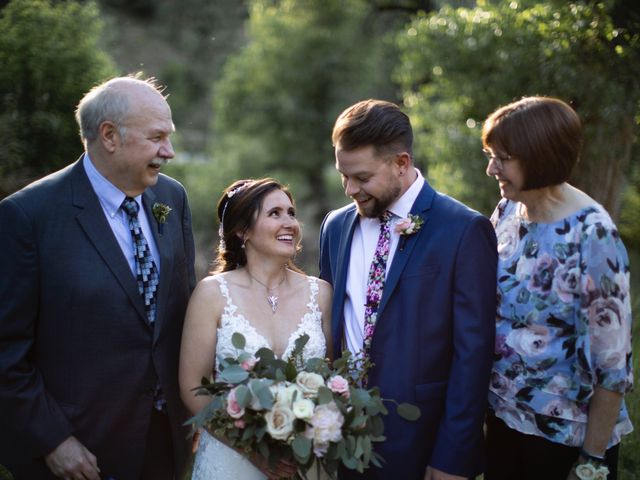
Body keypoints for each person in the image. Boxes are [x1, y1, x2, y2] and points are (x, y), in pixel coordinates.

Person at [0, 76, 196, 479]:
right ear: (109, 136)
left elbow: (182, 311)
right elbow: (6, 353)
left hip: (167, 443)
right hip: (81, 452)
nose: (169, 151)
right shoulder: (28, 217)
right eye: (157, 137)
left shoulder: (172, 199)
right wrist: (52, 440)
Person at [319, 99, 498, 480]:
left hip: (421, 442)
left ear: (401, 163)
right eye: (343, 176)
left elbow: (474, 354)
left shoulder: (464, 230)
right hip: (339, 441)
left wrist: (454, 455)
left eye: (362, 177)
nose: (350, 189)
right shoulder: (335, 227)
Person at [482, 96, 634, 480]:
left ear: (538, 157)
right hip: (502, 422)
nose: (490, 168)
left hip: (564, 439)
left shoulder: (593, 234)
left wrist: (592, 459)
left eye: (502, 158)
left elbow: (612, 363)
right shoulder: (506, 211)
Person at [179, 178, 333, 479]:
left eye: (291, 213)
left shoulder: (322, 294)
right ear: (242, 230)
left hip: (303, 462)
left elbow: (333, 381)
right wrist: (254, 453)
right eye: (274, 214)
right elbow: (192, 388)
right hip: (230, 460)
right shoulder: (211, 294)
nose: (289, 222)